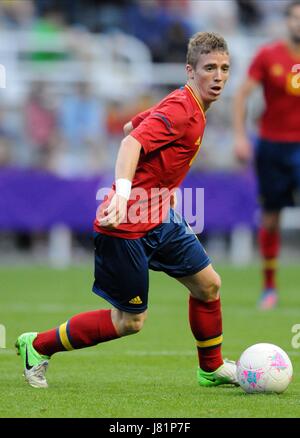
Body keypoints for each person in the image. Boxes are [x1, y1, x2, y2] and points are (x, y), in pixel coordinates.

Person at [16, 32, 238, 389]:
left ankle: (210, 369)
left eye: (224, 68)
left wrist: (164, 186)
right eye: (209, 68)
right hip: (126, 225)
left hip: (160, 217)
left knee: (208, 286)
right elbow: (131, 140)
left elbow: (132, 125)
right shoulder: (183, 109)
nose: (218, 76)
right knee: (130, 321)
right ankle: (37, 345)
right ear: (189, 70)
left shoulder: (187, 105)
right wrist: (122, 194)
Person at [233, 0, 300, 310]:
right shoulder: (268, 55)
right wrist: (240, 136)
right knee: (271, 216)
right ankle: (269, 287)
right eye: (296, 18)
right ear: (287, 21)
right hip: (272, 145)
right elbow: (243, 93)